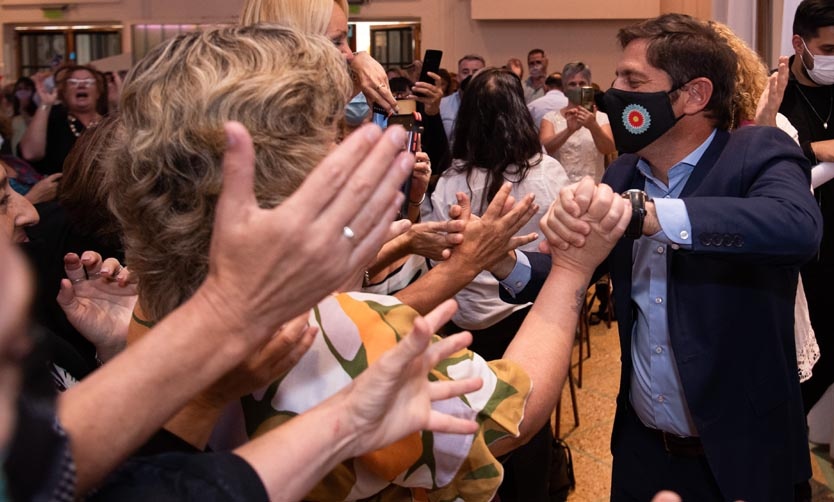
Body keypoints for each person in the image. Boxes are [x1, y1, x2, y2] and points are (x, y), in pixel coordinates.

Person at [104, 24, 626, 501]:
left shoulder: (149, 300)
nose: (350, 144)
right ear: (286, 167)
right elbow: (519, 412)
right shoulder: (344, 336)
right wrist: (572, 272)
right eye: (334, 131)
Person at [507, 13, 822, 501]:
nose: (613, 93)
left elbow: (797, 228)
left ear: (694, 95)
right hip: (644, 453)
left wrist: (652, 215)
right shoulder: (625, 172)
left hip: (744, 460)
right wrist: (497, 261)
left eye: (632, 81)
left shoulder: (756, 152)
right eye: (616, 78)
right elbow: (578, 270)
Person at [428, 67, 569, 501]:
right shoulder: (545, 174)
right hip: (524, 322)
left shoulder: (451, 180)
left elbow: (434, 249)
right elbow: (559, 256)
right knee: (526, 424)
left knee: (473, 427)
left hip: (462, 327)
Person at [778, 0, 834, 416]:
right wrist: (817, 150)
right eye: (830, 50)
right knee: (794, 376)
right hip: (796, 263)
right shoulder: (774, 94)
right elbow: (752, 157)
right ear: (800, 44)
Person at [19, 65, 105, 175]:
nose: (81, 85)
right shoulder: (54, 118)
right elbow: (30, 153)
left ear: (98, 92)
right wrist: (45, 103)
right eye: (73, 82)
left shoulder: (108, 124)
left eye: (88, 81)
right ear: (64, 92)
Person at [539, 62, 615, 182]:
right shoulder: (550, 118)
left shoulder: (601, 117)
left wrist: (593, 126)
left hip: (593, 187)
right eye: (572, 84)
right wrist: (569, 131)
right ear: (564, 89)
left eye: (582, 83)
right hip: (559, 187)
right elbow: (544, 150)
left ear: (589, 87)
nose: (577, 87)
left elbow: (608, 149)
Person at [439, 54, 486, 142]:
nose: (470, 76)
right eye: (465, 72)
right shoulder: (442, 105)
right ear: (457, 77)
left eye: (476, 72)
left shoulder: (492, 106)